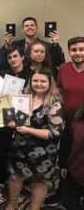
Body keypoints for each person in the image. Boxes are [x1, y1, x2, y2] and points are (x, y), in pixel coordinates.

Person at [1, 69, 64, 210]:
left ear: (50, 83)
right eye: (35, 80)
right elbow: (14, 119)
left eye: (43, 81)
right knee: (14, 177)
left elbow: (55, 133)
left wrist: (29, 130)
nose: (38, 84)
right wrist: (11, 122)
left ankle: (33, 208)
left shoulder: (55, 103)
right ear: (30, 81)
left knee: (38, 182)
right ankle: (12, 203)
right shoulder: (24, 96)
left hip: (43, 153)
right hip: (19, 147)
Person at [0, 46, 32, 199]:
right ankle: (0, 181)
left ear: (22, 57)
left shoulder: (31, 75)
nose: (13, 59)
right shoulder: (1, 75)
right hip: (3, 119)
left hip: (22, 119)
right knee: (1, 151)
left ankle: (20, 183)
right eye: (9, 57)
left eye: (15, 56)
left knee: (21, 153)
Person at [49, 36, 84, 206]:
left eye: (81, 49)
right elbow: (59, 90)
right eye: (74, 50)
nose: (78, 53)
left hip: (83, 127)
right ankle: (62, 193)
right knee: (63, 159)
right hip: (66, 125)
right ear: (69, 52)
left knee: (80, 161)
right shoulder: (63, 68)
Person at [61, 102, 84, 210]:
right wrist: (65, 165)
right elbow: (70, 144)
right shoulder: (78, 121)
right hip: (75, 170)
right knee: (67, 201)